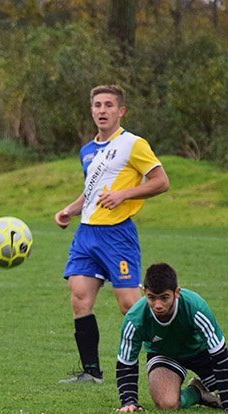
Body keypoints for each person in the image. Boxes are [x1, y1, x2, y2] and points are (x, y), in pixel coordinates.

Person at [54, 84, 170, 384]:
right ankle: (91, 372)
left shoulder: (134, 144)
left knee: (130, 306)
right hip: (86, 235)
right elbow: (90, 193)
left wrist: (124, 195)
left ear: (121, 111)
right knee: (79, 299)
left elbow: (161, 181)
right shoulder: (87, 150)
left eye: (108, 105)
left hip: (117, 236)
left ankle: (166, 360)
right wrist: (71, 209)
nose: (102, 110)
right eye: (97, 105)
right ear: (91, 110)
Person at [115, 262, 228, 412]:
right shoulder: (135, 319)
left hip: (202, 354)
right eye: (151, 297)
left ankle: (216, 392)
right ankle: (197, 392)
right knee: (167, 404)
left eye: (164, 298)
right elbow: (126, 362)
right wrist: (129, 402)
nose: (158, 305)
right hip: (164, 355)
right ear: (145, 293)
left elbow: (220, 355)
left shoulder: (196, 308)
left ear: (176, 293)